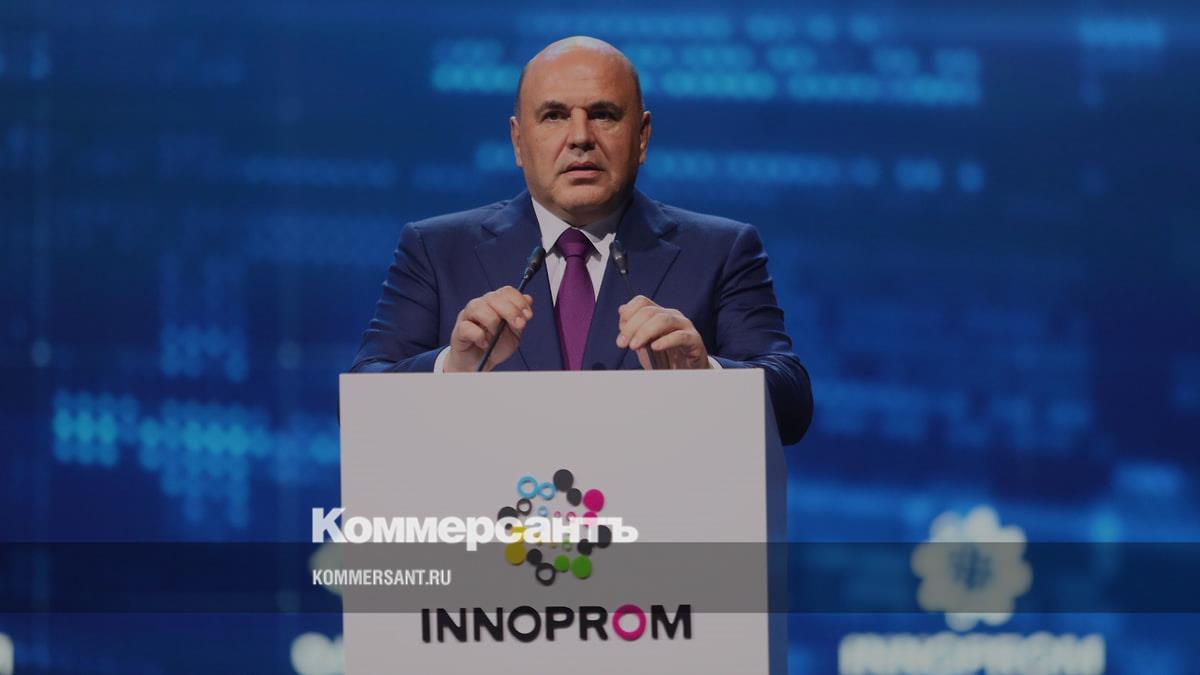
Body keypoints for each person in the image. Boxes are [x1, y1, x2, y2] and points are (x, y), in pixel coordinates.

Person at [351, 36, 813, 445]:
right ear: (518, 141)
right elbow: (357, 405)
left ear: (642, 137)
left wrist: (706, 375)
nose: (580, 138)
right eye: (554, 116)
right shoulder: (436, 249)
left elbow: (792, 406)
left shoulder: (722, 250)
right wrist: (452, 367)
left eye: (603, 115)